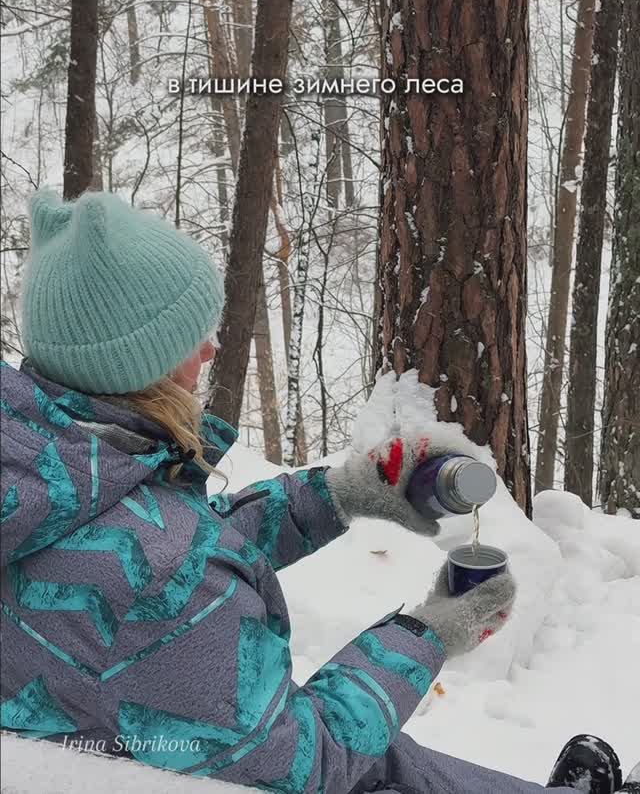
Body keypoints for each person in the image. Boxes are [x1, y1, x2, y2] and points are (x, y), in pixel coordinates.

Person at [1, 189, 636, 794]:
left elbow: (145, 549)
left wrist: (340, 494)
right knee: (372, 761)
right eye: (188, 337)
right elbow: (311, 764)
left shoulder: (41, 470)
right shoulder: (163, 572)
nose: (210, 348)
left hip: (101, 745)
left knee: (384, 753)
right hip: (178, 769)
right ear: (131, 364)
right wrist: (433, 630)